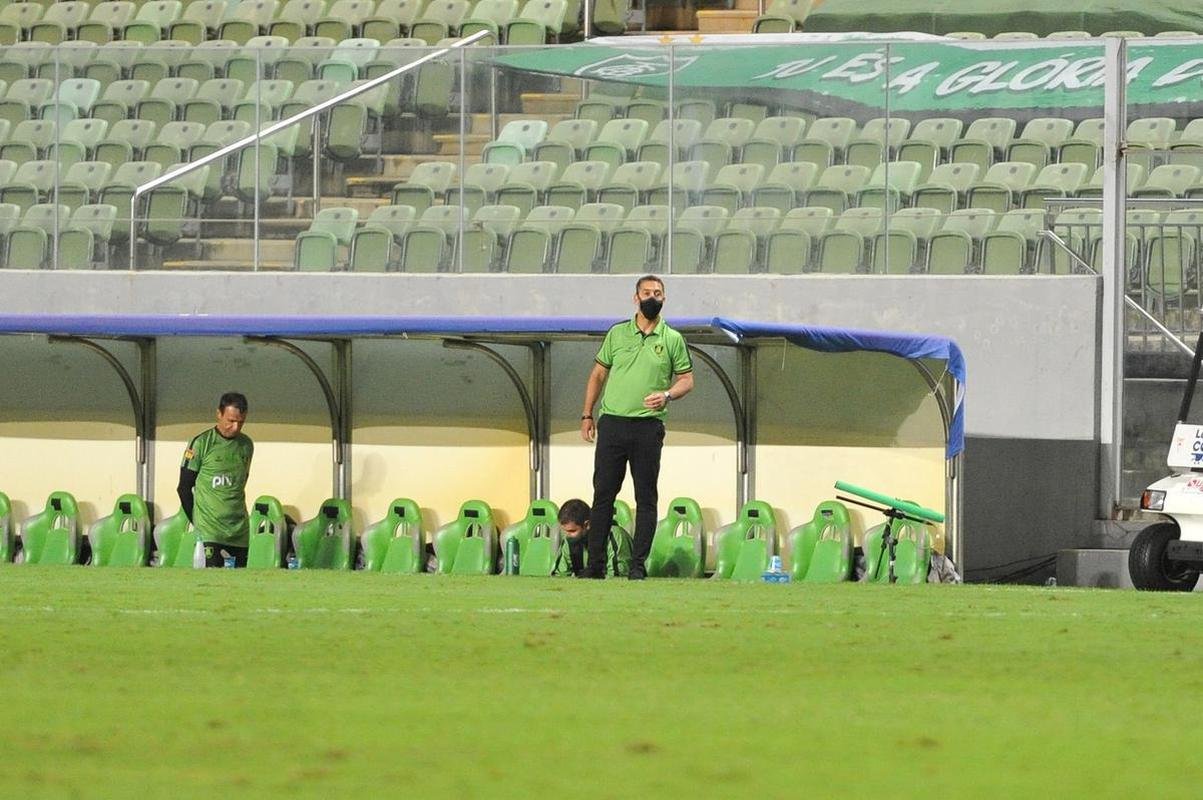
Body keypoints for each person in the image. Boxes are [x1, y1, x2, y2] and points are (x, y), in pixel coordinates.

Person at [579, 275, 694, 580]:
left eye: (658, 293)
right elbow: (597, 376)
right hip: (613, 424)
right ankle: (596, 566)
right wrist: (587, 415)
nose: (652, 297)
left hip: (648, 428)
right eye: (647, 293)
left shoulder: (672, 339)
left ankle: (637, 566)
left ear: (664, 299)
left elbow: (687, 380)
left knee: (646, 497)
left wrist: (667, 394)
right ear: (635, 298)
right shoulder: (617, 334)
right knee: (603, 495)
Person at [177, 392, 254, 568]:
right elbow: (183, 488)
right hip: (210, 532)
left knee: (239, 588)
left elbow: (241, 482)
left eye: (240, 422)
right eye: (231, 421)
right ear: (218, 414)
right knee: (211, 585)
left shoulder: (246, 445)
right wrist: (198, 522)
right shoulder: (201, 443)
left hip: (239, 531)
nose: (235, 427)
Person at [553, 497, 632, 578]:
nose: (567, 535)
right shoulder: (569, 541)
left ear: (587, 525)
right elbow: (561, 575)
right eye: (565, 531)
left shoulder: (613, 535)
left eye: (572, 531)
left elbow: (618, 575)